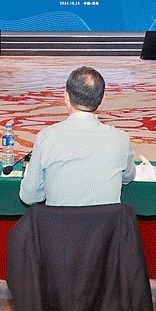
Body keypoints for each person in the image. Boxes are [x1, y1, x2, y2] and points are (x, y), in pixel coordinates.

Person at [20, 66, 136, 206]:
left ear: (66, 96)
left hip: (58, 221)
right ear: (103, 98)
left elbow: (30, 196)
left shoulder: (46, 137)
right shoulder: (120, 139)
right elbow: (128, 176)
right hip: (106, 221)